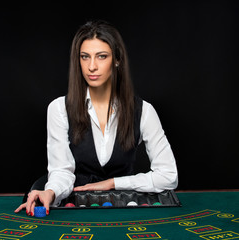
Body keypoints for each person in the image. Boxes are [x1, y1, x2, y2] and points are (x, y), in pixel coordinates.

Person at [15, 20, 178, 216]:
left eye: (101, 56)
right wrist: (51, 192)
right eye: (85, 57)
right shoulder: (58, 108)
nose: (92, 66)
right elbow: (61, 171)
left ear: (116, 60)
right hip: (74, 204)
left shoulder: (144, 111)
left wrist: (113, 183)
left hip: (123, 207)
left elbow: (169, 176)